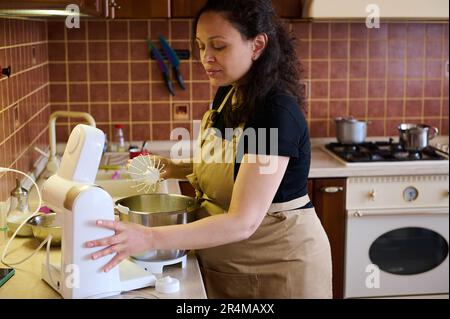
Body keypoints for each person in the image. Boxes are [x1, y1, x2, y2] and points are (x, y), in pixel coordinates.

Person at [86, 0, 332, 299]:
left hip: (278, 271)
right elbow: (232, 163)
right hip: (231, 265)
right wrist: (172, 167)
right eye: (201, 46)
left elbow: (244, 221)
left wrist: (148, 237)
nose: (206, 58)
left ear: (257, 45)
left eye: (219, 46)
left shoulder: (273, 112)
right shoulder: (232, 93)